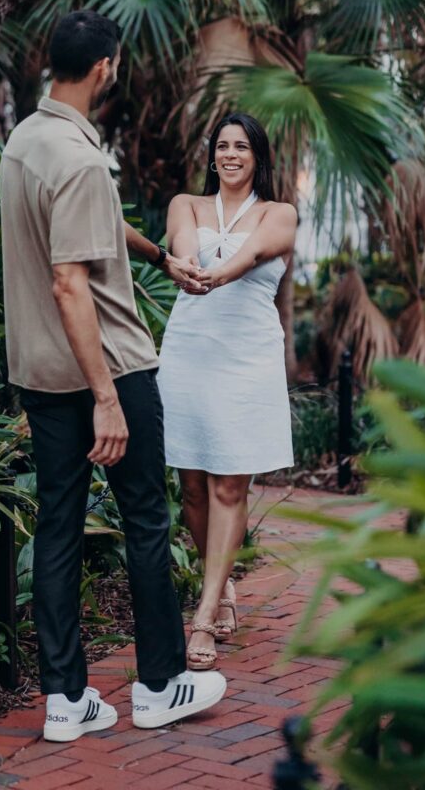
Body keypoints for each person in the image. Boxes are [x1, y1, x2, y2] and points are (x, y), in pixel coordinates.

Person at [0, 10, 227, 742]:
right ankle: (160, 685)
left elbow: (93, 228)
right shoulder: (78, 157)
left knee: (58, 526)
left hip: (38, 370)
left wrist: (161, 257)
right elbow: (71, 281)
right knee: (146, 522)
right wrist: (106, 397)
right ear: (105, 68)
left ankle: (66, 702)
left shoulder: (26, 142)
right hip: (110, 368)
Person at [157, 113, 296, 670]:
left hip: (247, 359)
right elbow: (184, 249)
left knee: (229, 489)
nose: (231, 154)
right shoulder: (186, 203)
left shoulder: (278, 212)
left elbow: (258, 253)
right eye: (222, 146)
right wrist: (191, 269)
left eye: (242, 146)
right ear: (211, 155)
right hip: (190, 350)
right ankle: (224, 586)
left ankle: (204, 615)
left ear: (258, 156)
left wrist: (218, 274)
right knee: (192, 490)